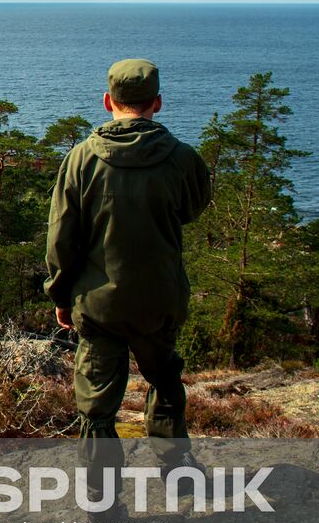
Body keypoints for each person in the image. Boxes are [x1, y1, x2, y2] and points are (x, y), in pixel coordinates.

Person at [45, 58, 212, 485]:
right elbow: (192, 209)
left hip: (98, 302)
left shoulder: (81, 159)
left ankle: (100, 497)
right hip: (159, 296)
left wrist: (61, 296)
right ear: (157, 102)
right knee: (165, 380)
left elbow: (61, 238)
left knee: (98, 404)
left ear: (107, 102)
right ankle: (177, 468)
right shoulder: (183, 159)